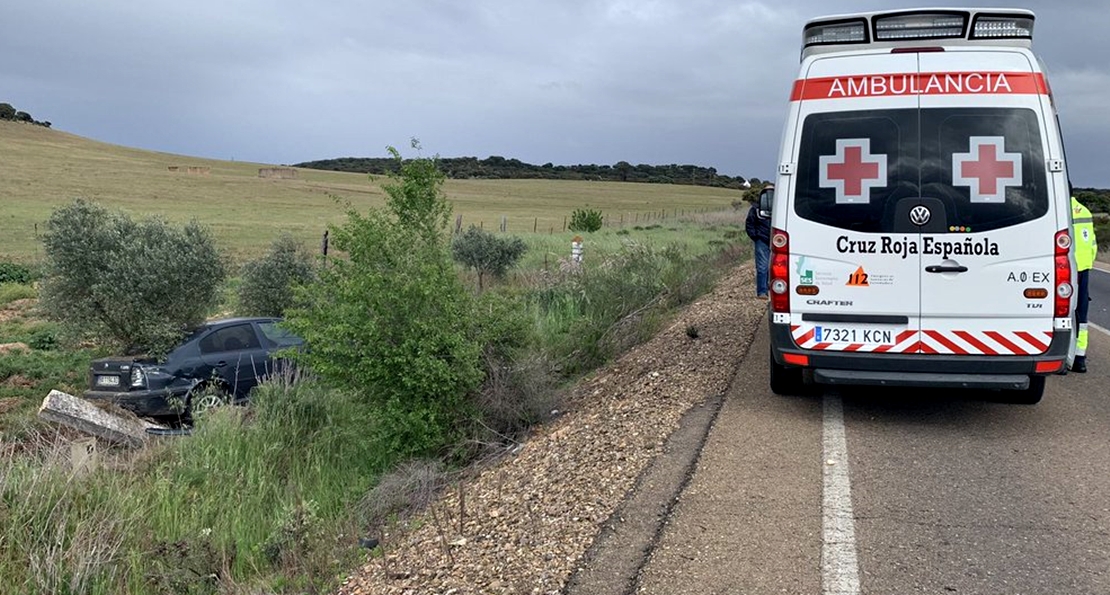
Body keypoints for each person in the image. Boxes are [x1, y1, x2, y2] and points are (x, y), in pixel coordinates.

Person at [1070, 193, 1097, 373]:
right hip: (1083, 268)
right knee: (1081, 315)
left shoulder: (1061, 209)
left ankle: (1065, 357)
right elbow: (1093, 244)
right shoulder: (1085, 211)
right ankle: (1080, 358)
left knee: (1063, 313)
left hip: (1066, 268)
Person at [746, 183, 773, 299]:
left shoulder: (781, 206)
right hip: (762, 239)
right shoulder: (756, 209)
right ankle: (762, 291)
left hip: (778, 239)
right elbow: (749, 224)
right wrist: (756, 237)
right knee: (763, 266)